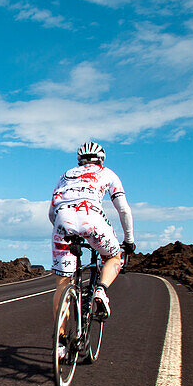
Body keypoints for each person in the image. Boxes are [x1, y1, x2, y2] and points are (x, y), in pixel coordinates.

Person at [49, 141, 134, 341]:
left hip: (63, 221)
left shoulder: (65, 176)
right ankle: (101, 290)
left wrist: (68, 231)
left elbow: (52, 211)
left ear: (79, 160)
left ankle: (60, 343)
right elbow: (123, 210)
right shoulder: (108, 174)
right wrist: (129, 240)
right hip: (92, 219)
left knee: (62, 284)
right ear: (101, 159)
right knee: (113, 257)